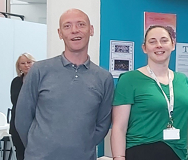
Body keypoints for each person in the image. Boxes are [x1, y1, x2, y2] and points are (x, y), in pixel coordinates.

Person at [15, 8, 114, 159]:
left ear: (91, 30)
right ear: (60, 33)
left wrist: (82, 146)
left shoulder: (103, 78)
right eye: (67, 26)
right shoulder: (39, 70)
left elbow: (103, 124)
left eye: (81, 24)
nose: (75, 30)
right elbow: (22, 118)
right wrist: (37, 148)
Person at [111, 25, 188, 160]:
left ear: (173, 45)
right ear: (144, 48)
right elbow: (119, 127)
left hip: (179, 154)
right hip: (141, 152)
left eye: (164, 40)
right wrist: (119, 157)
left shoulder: (182, 80)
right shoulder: (129, 80)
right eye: (152, 42)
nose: (159, 45)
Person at [9, 53, 35, 160]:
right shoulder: (16, 82)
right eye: (23, 63)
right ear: (19, 66)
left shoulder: (39, 81)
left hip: (34, 124)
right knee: (20, 153)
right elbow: (15, 101)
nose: (26, 65)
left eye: (29, 62)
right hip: (17, 122)